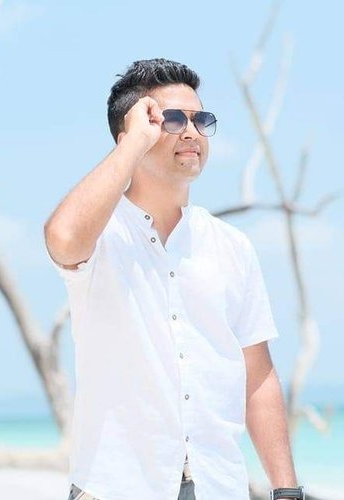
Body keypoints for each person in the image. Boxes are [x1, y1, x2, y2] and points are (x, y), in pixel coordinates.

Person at [44, 58, 303, 500]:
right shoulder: (101, 234)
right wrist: (132, 144)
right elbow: (63, 239)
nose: (192, 132)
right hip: (115, 487)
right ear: (133, 131)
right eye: (173, 120)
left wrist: (286, 490)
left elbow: (257, 376)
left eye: (201, 120)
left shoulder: (232, 246)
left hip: (218, 486)